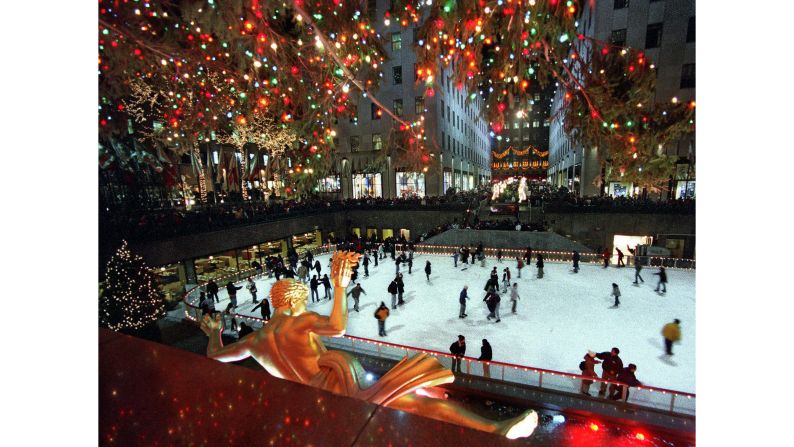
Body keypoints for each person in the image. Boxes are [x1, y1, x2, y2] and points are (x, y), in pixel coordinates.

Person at [201, 255, 539, 439]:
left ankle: (435, 398)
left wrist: (215, 332)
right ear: (292, 302)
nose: (306, 307)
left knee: (408, 397)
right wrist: (339, 287)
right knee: (409, 402)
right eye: (303, 302)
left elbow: (216, 356)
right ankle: (493, 428)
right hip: (337, 386)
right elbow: (337, 326)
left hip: (312, 400)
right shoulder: (296, 321)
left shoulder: (256, 340)